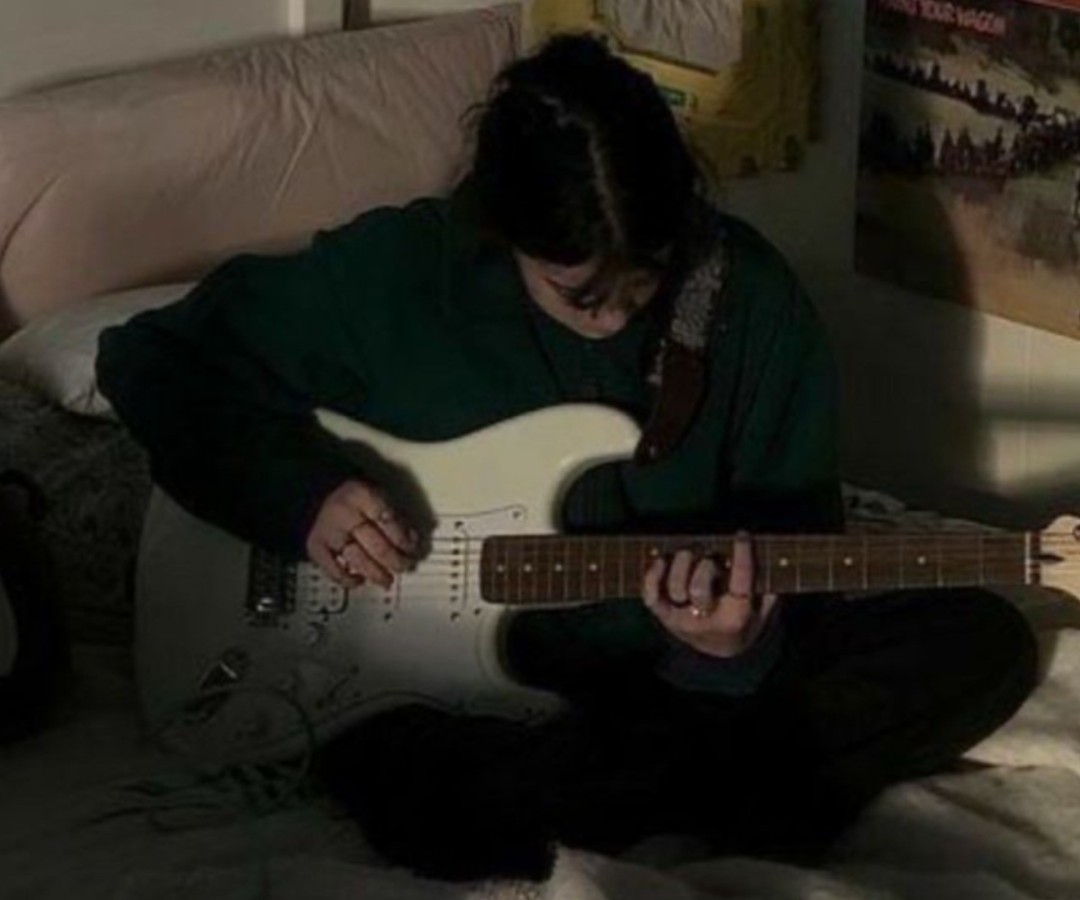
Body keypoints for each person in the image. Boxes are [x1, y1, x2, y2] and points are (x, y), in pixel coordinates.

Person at [97, 34, 1037, 882]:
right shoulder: (397, 274)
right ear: (503, 233)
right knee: (453, 797)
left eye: (645, 279)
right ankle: (710, 793)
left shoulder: (751, 302)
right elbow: (151, 359)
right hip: (443, 700)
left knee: (981, 640)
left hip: (656, 687)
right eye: (579, 295)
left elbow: (799, 543)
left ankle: (669, 787)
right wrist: (300, 495)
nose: (618, 317)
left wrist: (731, 649)